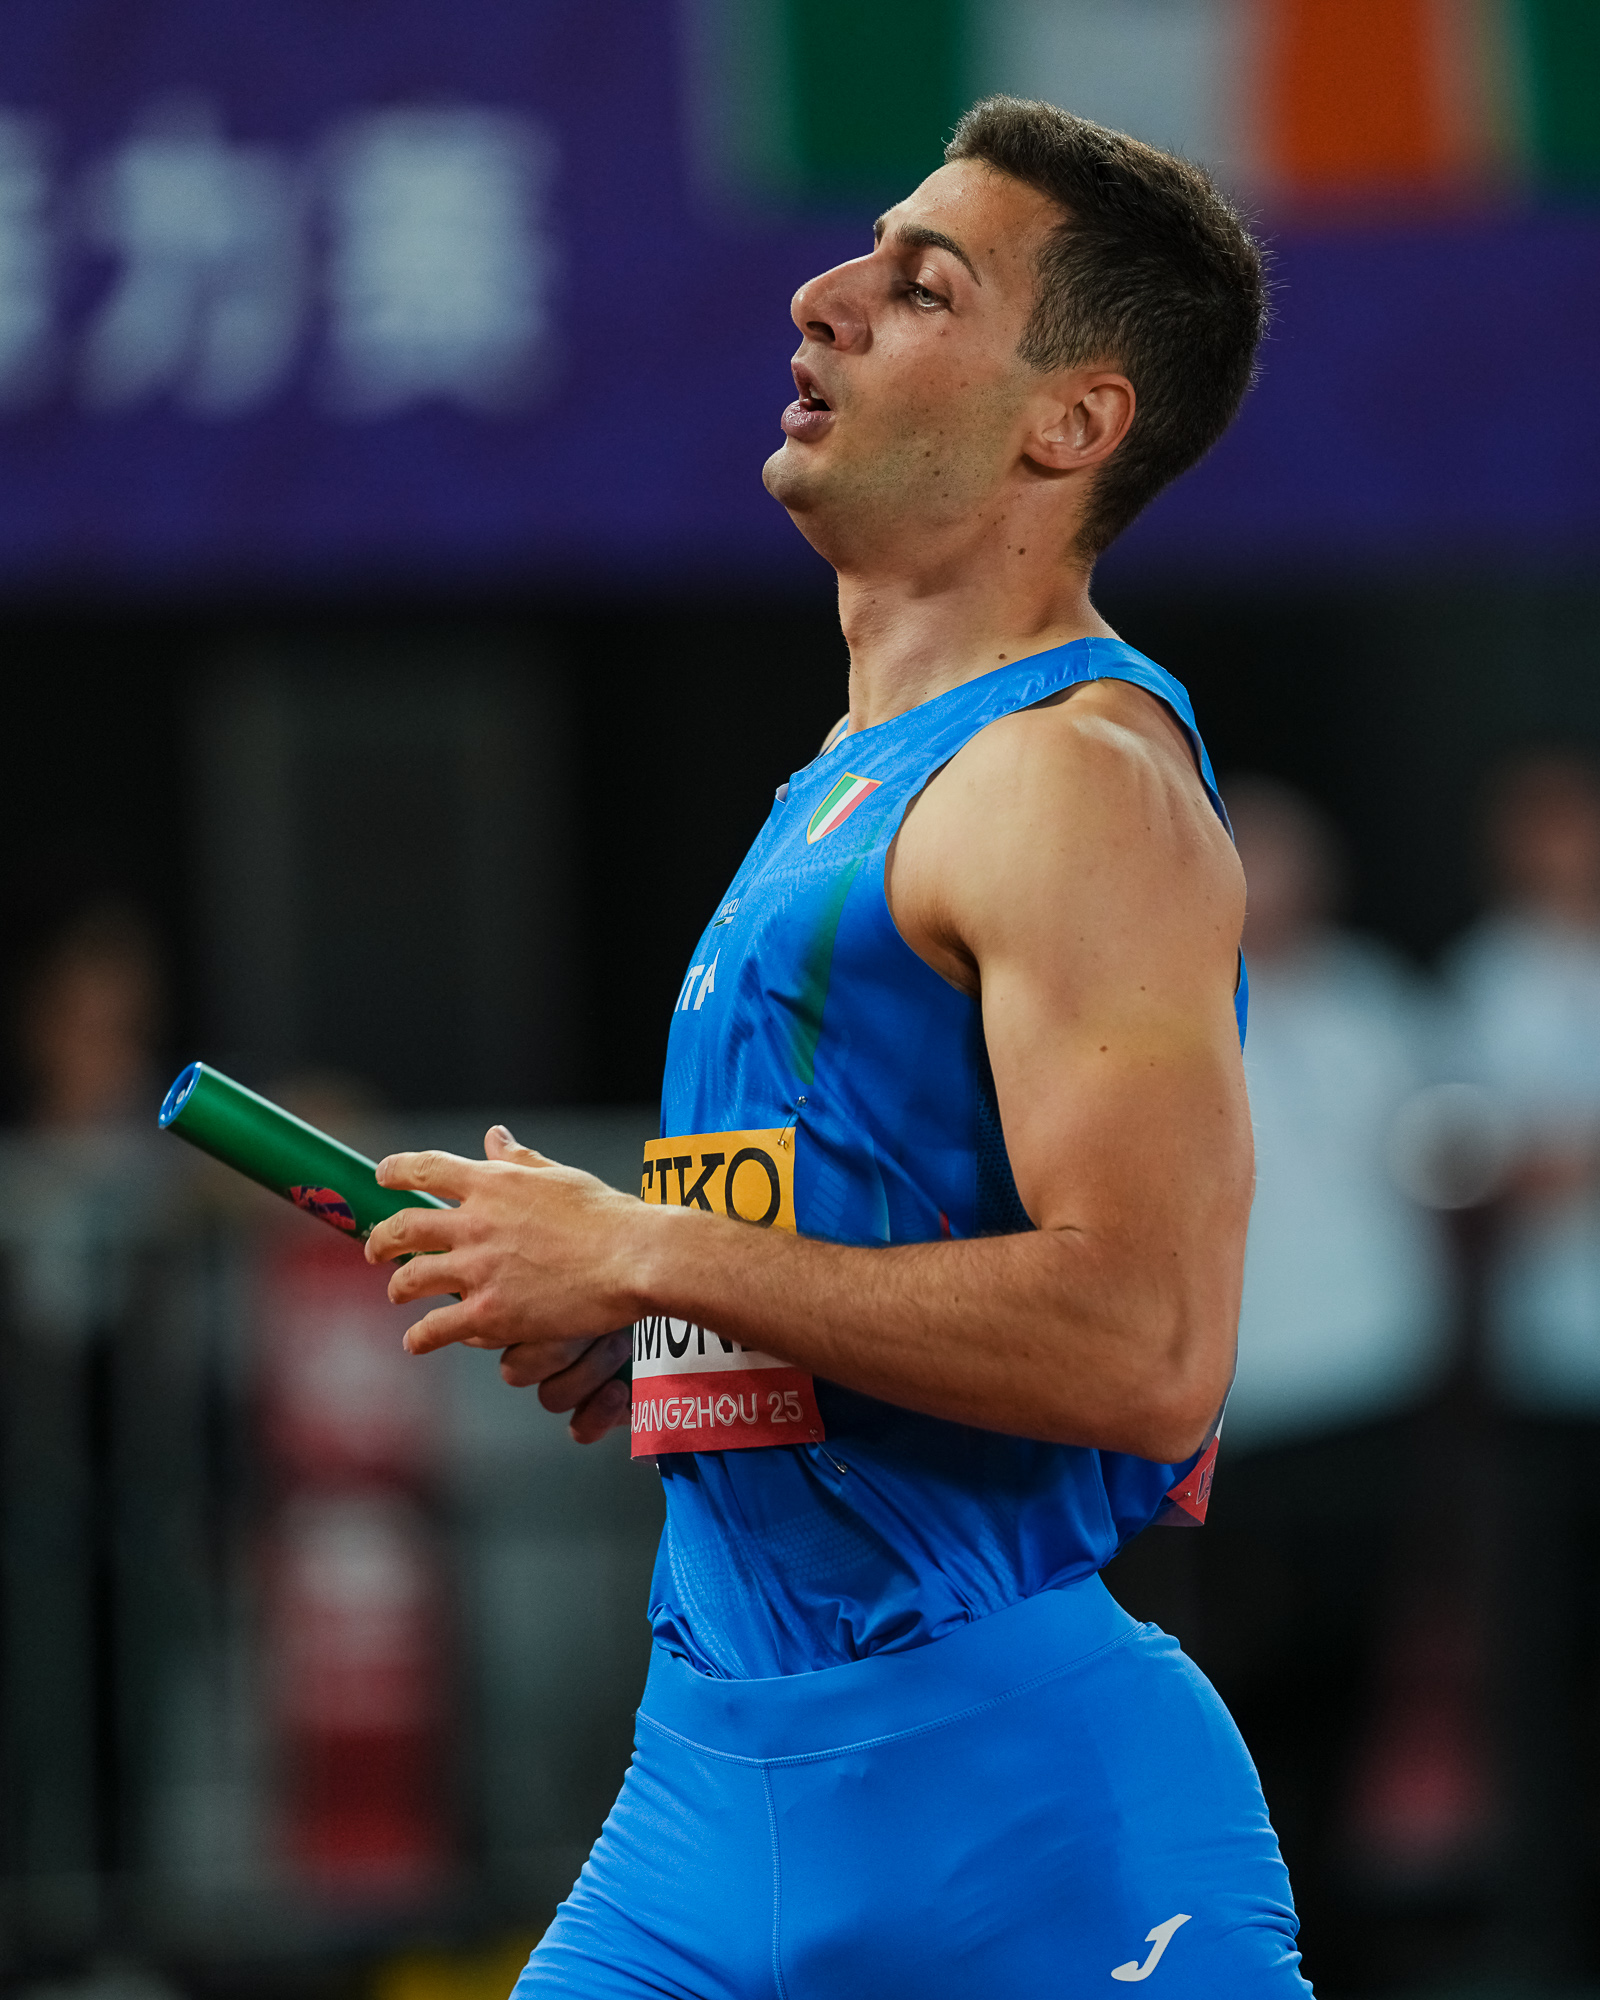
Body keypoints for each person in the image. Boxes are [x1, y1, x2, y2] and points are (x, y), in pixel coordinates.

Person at [368, 99, 1309, 1994]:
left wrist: (652, 1252)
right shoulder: (849, 779)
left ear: (1073, 422)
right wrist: (678, 1340)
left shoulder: (1074, 778)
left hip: (1021, 1825)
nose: (821, 297)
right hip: (705, 1791)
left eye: (922, 285)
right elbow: (865, 1247)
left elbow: (1148, 1346)